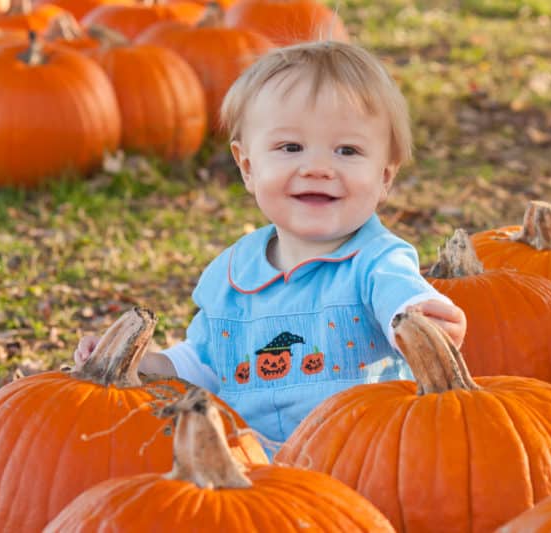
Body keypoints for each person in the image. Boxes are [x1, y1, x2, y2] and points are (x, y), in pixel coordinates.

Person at [75, 40, 466, 448]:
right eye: (290, 148)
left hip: (355, 460)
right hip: (252, 476)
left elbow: (400, 300)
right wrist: (142, 362)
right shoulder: (232, 275)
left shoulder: (377, 262)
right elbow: (204, 363)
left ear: (384, 176)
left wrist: (420, 318)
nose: (317, 168)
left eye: (347, 150)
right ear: (248, 167)